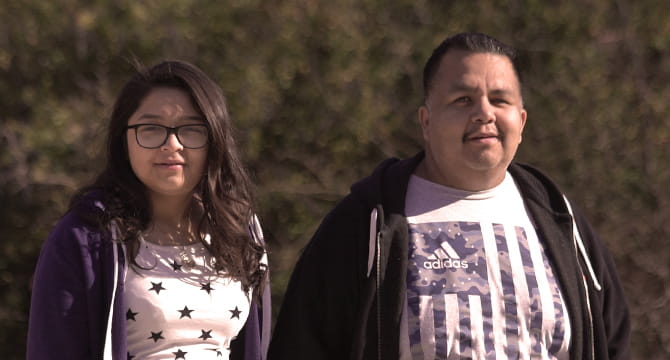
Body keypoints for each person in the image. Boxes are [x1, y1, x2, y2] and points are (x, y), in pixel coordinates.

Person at [268, 32, 631, 359]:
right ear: (425, 122)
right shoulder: (369, 222)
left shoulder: (560, 221)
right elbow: (302, 344)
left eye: (499, 100)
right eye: (463, 100)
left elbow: (613, 343)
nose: (484, 113)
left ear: (521, 121)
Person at [27, 60, 271, 360]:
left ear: (215, 139)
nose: (172, 144)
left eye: (191, 129)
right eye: (151, 128)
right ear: (124, 139)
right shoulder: (86, 237)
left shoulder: (239, 228)